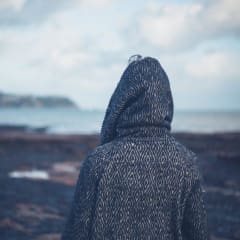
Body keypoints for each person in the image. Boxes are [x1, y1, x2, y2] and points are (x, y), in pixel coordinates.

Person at [61, 55, 209, 239]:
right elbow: (198, 234)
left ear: (121, 100)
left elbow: (76, 234)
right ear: (166, 101)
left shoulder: (98, 162)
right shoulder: (186, 163)